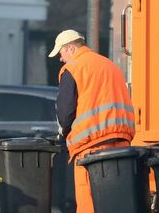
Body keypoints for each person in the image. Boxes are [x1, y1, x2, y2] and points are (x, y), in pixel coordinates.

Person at [49, 29, 136, 213]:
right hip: (122, 143)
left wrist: (63, 134)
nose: (60, 59)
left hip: (91, 148)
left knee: (89, 201)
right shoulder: (109, 65)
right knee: (115, 202)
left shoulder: (73, 69)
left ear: (71, 49)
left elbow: (65, 112)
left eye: (61, 53)